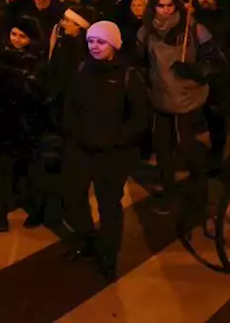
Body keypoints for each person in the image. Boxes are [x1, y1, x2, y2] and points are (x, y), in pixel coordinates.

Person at [62, 21, 151, 281]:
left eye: (101, 42)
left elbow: (140, 116)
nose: (95, 47)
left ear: (113, 44)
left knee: (109, 206)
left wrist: (116, 140)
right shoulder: (81, 69)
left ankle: (108, 257)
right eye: (91, 41)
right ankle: (86, 239)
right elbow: (70, 106)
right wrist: (73, 133)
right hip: (80, 148)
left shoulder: (127, 74)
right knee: (73, 197)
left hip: (112, 153)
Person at [137, 0, 226, 219]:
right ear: (153, 8)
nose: (166, 10)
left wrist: (195, 70)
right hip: (160, 98)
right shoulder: (146, 32)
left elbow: (216, 60)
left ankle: (199, 192)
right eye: (161, 6)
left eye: (170, 5)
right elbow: (140, 63)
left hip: (187, 97)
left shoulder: (194, 28)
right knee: (163, 150)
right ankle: (169, 193)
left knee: (187, 147)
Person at [0, 15, 46, 234]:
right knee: (0, 172)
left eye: (22, 36)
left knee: (29, 173)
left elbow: (37, 94)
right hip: (0, 123)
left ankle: (37, 210)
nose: (16, 40)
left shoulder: (37, 60)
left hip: (26, 125)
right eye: (14, 34)